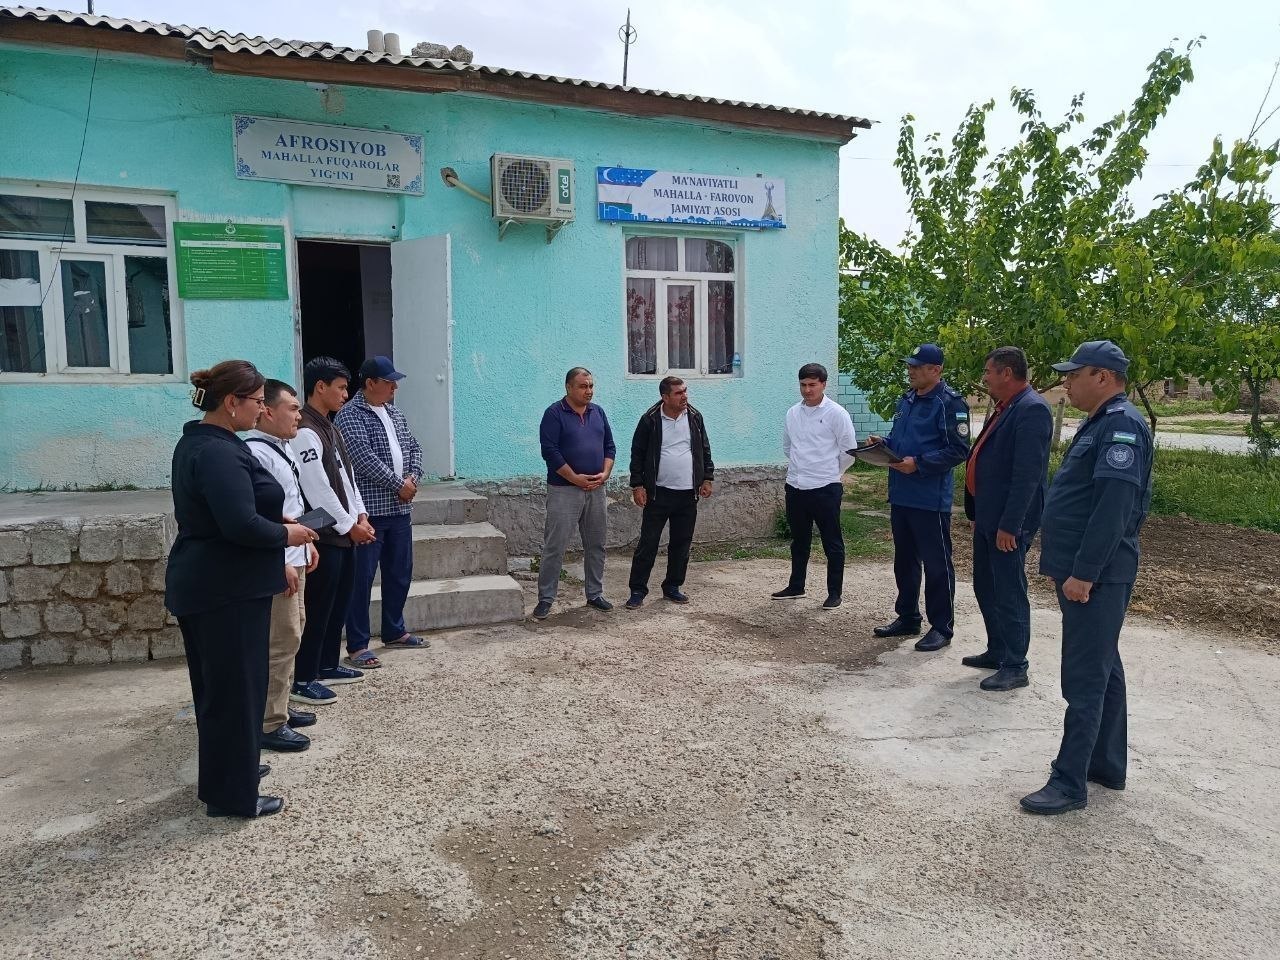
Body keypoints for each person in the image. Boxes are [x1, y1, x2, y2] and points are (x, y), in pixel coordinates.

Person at [165, 360, 318, 819]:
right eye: (256, 402)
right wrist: (287, 534)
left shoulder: (209, 442)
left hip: (221, 584)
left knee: (229, 691)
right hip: (223, 590)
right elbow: (239, 525)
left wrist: (278, 521)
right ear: (232, 402)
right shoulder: (216, 452)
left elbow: (237, 510)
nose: (261, 409)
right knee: (232, 694)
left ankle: (235, 769)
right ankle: (232, 797)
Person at [1021, 340, 1152, 815]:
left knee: (1084, 677)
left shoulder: (1121, 426)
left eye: (1074, 375)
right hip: (1085, 570)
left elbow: (1113, 508)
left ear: (1102, 377)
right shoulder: (1101, 422)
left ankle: (1069, 781)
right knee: (1102, 665)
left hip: (1095, 575)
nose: (1067, 383)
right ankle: (1106, 764)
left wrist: (1084, 572)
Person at [961, 347, 1054, 692]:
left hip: (1008, 524)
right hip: (988, 516)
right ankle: (998, 649)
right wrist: (976, 512)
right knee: (986, 585)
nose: (984, 378)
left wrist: (1010, 526)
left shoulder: (1032, 409)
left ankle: (1016, 665)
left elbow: (1027, 476)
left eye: (988, 371)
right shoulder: (1006, 406)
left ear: (1007, 373)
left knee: (1009, 590)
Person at [872, 343, 970, 649]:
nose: (910, 371)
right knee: (905, 561)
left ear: (935, 370)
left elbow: (958, 450)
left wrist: (919, 464)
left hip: (930, 499)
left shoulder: (949, 403)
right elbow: (902, 439)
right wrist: (883, 444)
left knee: (937, 565)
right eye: (909, 366)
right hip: (901, 494)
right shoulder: (908, 399)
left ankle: (941, 627)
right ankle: (908, 617)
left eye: (916, 367)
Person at [292, 357, 376, 705]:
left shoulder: (330, 427)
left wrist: (361, 514)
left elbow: (345, 477)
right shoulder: (305, 431)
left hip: (344, 531)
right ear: (320, 386)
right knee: (318, 607)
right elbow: (318, 489)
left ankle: (327, 664)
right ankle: (304, 677)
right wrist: (348, 525)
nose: (345, 394)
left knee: (338, 603)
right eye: (340, 387)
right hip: (322, 534)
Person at [336, 355, 429, 662]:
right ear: (370, 383)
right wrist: (398, 484)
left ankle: (394, 630)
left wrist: (412, 479)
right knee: (361, 579)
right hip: (370, 512)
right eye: (389, 383)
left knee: (399, 573)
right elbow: (362, 458)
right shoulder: (350, 415)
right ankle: (358, 644)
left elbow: (414, 447)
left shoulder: (394, 413)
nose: (394, 388)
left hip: (400, 511)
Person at [246, 379, 320, 752]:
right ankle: (269, 722)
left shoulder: (279, 448)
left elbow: (289, 506)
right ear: (268, 411)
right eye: (292, 408)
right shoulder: (257, 453)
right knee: (280, 637)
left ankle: (280, 705)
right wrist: (279, 561)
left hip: (293, 556)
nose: (298, 416)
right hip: (279, 561)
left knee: (294, 631)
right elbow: (259, 516)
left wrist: (306, 545)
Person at [533, 367, 616, 620]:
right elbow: (550, 452)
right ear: (568, 387)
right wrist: (575, 478)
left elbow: (610, 446)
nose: (588, 391)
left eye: (591, 386)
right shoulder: (554, 414)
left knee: (596, 544)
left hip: (596, 489)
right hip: (564, 490)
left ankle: (595, 594)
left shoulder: (598, 412)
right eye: (583, 386)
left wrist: (605, 473)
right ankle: (546, 599)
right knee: (555, 546)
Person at [625, 376, 715, 609]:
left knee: (681, 544)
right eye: (678, 393)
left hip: (688, 493)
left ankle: (673, 586)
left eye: (685, 391)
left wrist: (707, 477)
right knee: (648, 544)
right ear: (665, 397)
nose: (684, 396)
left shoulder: (694, 417)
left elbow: (704, 448)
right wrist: (638, 485)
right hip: (658, 493)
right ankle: (637, 590)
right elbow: (637, 453)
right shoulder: (650, 420)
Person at [771, 362, 856, 609]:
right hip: (796, 486)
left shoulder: (836, 413)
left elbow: (849, 451)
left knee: (832, 541)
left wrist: (831, 472)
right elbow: (788, 447)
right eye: (803, 385)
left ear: (823, 384)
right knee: (799, 540)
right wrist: (802, 469)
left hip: (825, 487)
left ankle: (834, 592)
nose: (807, 390)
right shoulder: (792, 413)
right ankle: (796, 586)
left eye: (812, 385)